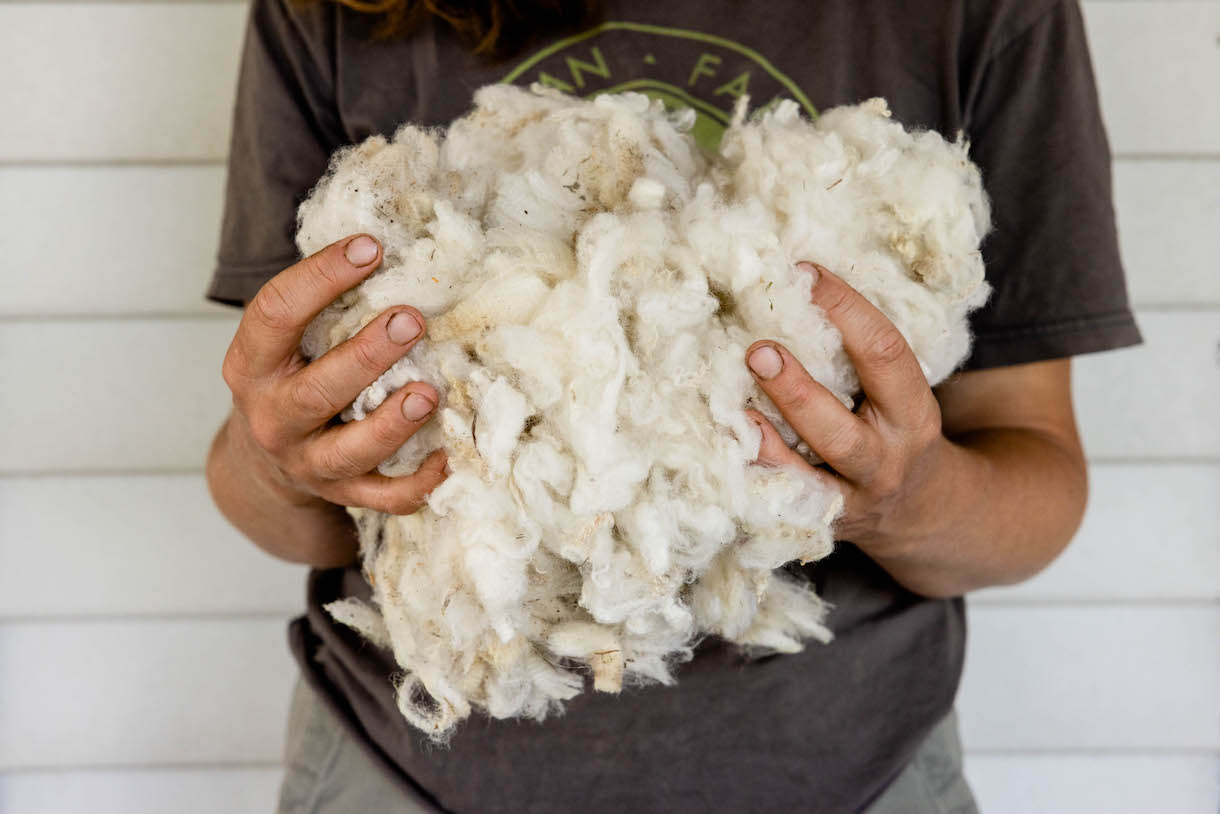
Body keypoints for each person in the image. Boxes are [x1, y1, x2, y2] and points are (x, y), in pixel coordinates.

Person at [203, 0, 1143, 811]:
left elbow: (1039, 481)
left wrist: (905, 497)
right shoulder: (332, 10)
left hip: (856, 775)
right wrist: (276, 463)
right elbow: (289, 500)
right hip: (404, 775)